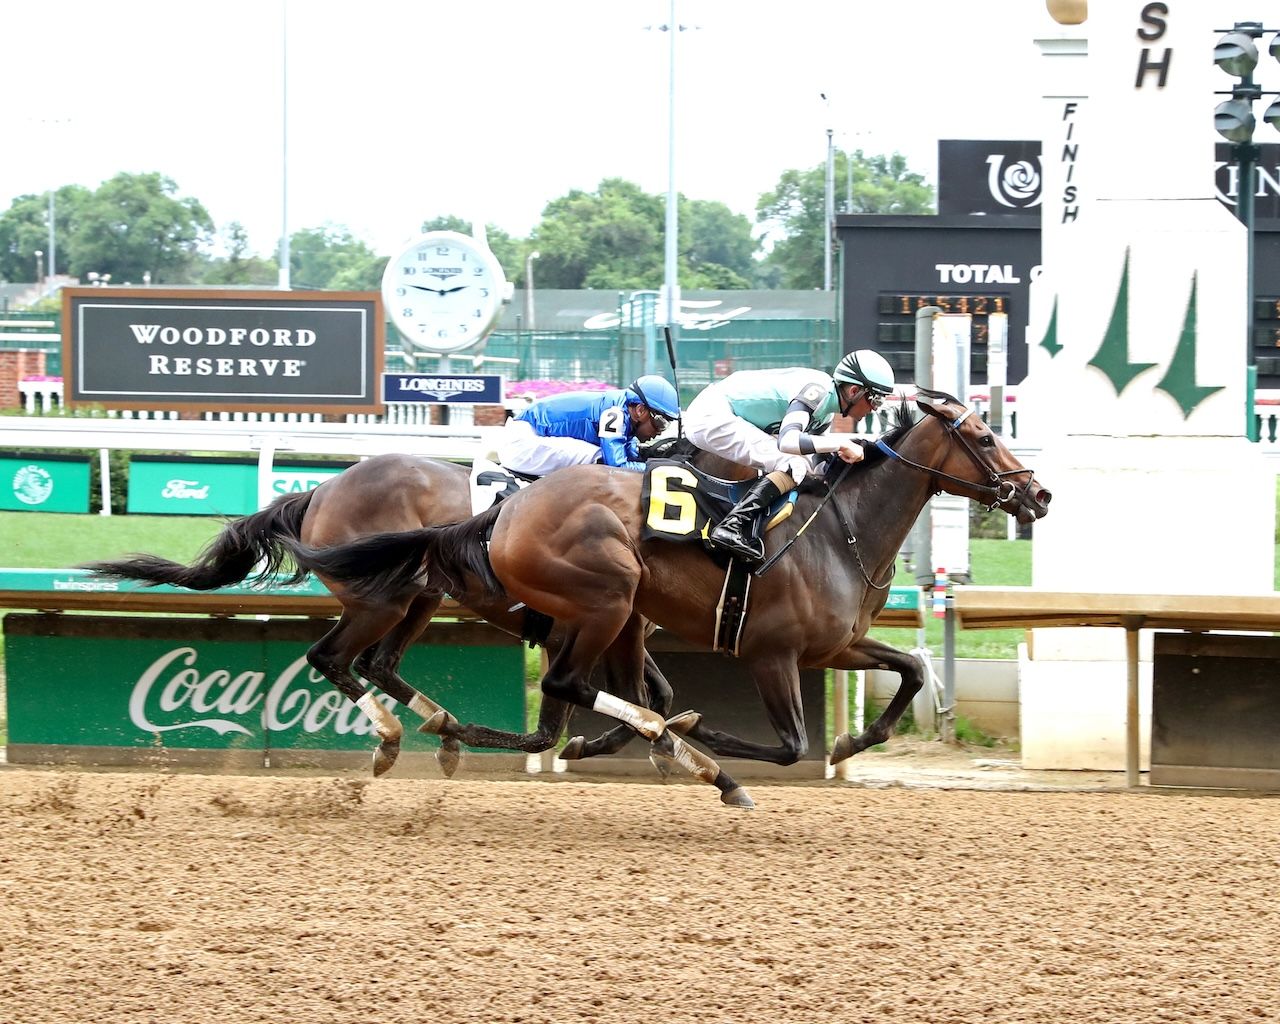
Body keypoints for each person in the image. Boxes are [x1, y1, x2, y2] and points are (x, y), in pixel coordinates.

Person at [683, 349, 897, 564]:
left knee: (800, 464)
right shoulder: (817, 391)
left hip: (724, 415)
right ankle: (731, 526)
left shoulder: (825, 415)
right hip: (711, 414)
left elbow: (817, 465)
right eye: (875, 400)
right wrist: (840, 442)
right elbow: (788, 441)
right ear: (853, 391)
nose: (874, 409)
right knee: (792, 463)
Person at [497, 374, 681, 477]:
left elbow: (629, 450)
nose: (659, 431)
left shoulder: (624, 409)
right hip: (521, 444)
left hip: (531, 439)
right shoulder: (615, 413)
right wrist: (659, 468)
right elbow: (616, 465)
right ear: (640, 410)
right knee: (599, 458)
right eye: (660, 422)